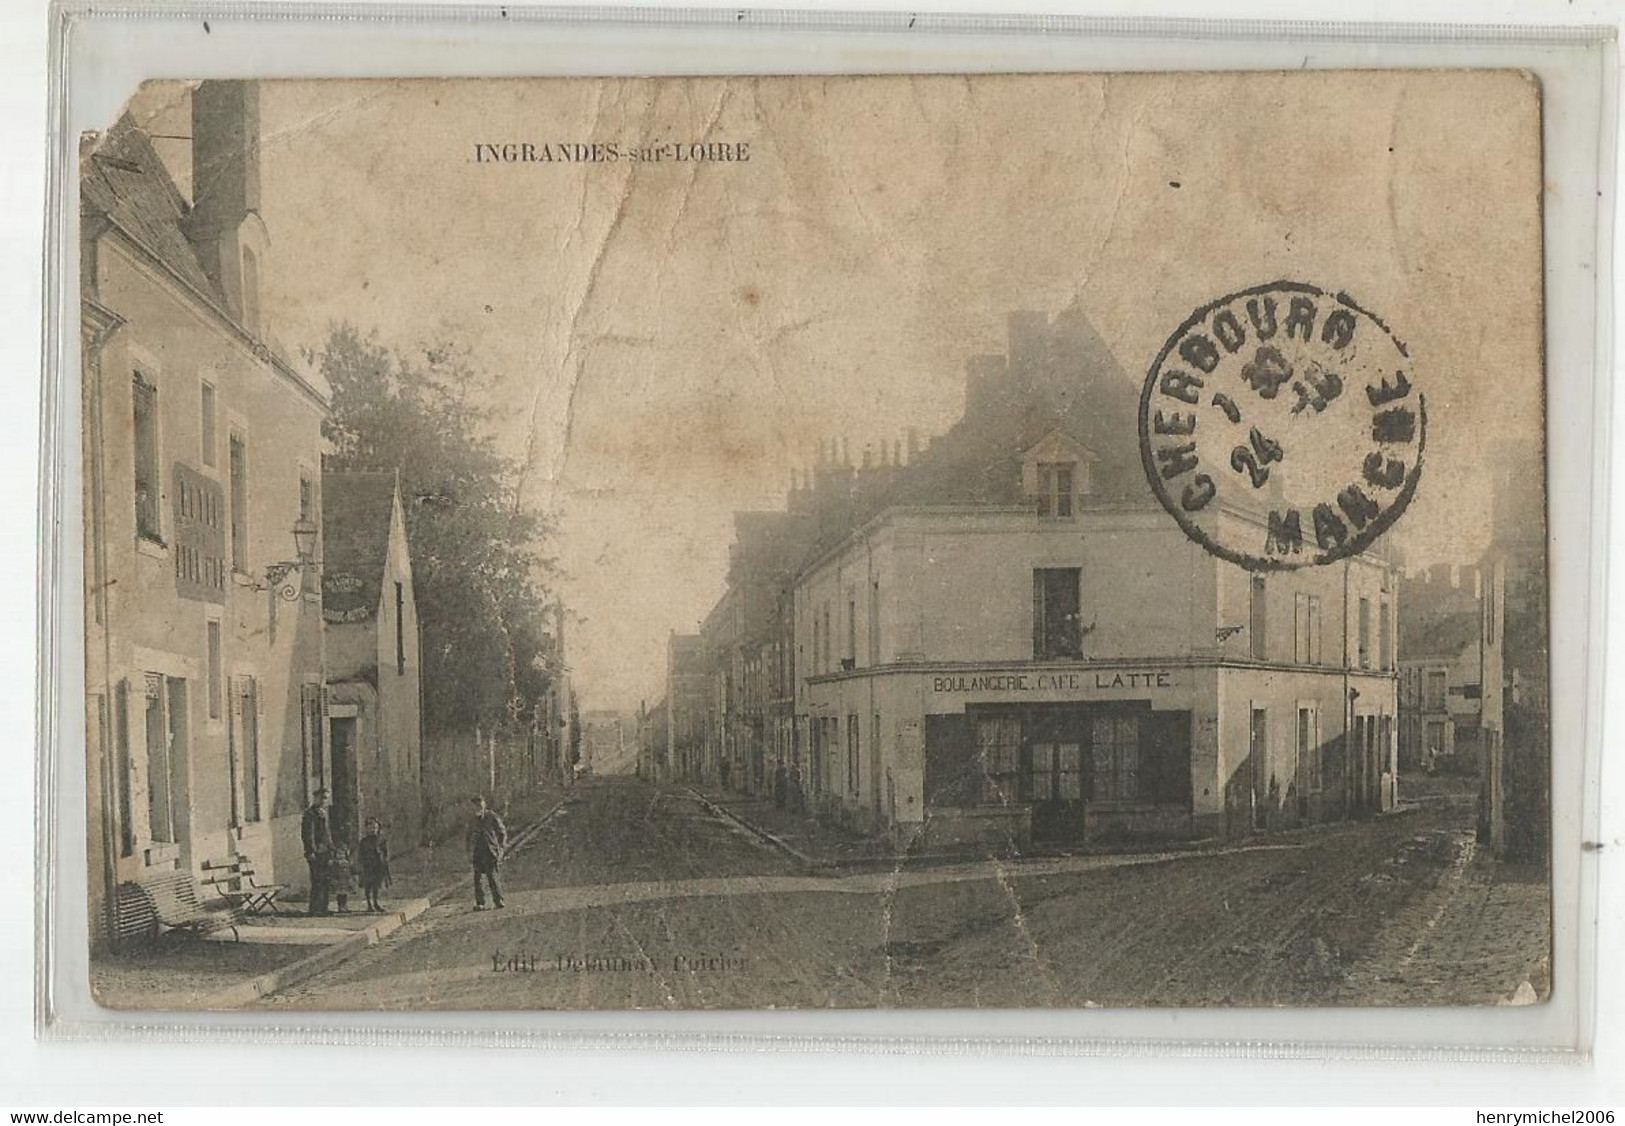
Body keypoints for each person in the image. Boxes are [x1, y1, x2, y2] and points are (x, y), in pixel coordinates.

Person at [467, 795, 508, 911]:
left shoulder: (491, 816)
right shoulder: (472, 820)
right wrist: (469, 851)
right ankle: (480, 902)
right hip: (477, 851)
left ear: (484, 804)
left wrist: (500, 847)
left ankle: (498, 900)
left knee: (492, 876)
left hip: (490, 850)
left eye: (480, 805)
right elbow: (468, 836)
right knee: (477, 877)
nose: (477, 808)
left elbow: (501, 832)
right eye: (475, 805)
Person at [301, 788, 334, 916]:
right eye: (322, 798)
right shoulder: (310, 814)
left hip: (326, 851)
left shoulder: (324, 812)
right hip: (316, 852)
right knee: (317, 880)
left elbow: (327, 833)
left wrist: (331, 848)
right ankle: (314, 909)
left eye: (326, 798)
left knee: (326, 880)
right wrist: (310, 851)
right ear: (315, 798)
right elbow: (308, 834)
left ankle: (323, 908)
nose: (324, 800)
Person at [358, 817, 391, 913]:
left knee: (376, 885)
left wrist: (382, 856)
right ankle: (369, 904)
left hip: (377, 866)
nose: (373, 830)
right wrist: (361, 865)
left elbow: (385, 853)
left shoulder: (380, 841)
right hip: (367, 866)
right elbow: (361, 854)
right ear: (366, 829)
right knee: (368, 885)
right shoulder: (364, 842)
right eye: (370, 828)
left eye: (375, 828)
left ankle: (375, 902)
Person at [330, 841, 356, 914]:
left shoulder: (346, 862)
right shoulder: (335, 863)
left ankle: (345, 907)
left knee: (345, 895)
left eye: (342, 854)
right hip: (339, 881)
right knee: (340, 895)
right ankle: (340, 907)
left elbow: (349, 872)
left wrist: (350, 879)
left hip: (345, 881)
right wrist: (334, 879)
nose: (341, 856)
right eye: (339, 854)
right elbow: (334, 872)